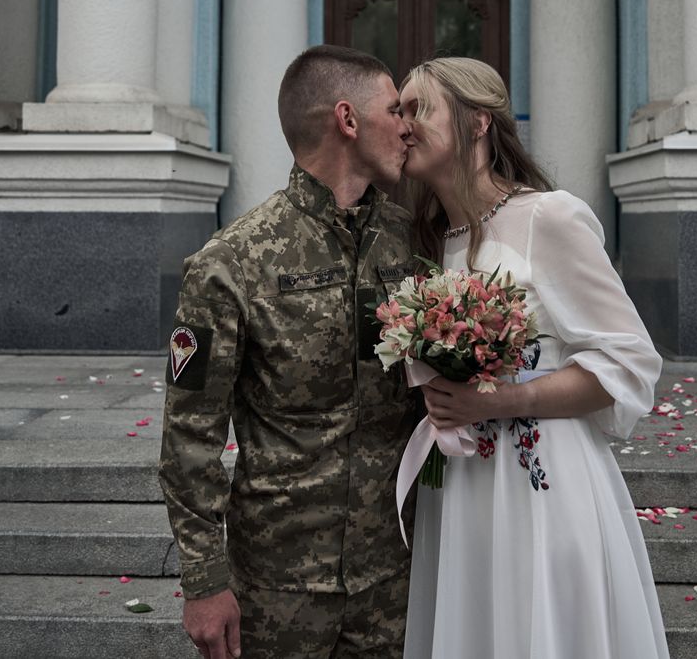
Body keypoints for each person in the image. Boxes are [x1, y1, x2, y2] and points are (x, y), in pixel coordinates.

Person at [397, 57, 670, 658]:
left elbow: (628, 362)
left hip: (540, 479)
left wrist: (500, 398)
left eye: (421, 108)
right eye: (399, 111)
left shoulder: (549, 217)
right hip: (462, 488)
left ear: (478, 123)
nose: (404, 125)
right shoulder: (428, 240)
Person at [159, 45, 420, 659]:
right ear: (348, 120)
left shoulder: (408, 245)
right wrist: (203, 581)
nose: (408, 126)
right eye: (394, 110)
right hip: (279, 589)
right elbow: (189, 436)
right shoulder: (229, 265)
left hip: (395, 578)